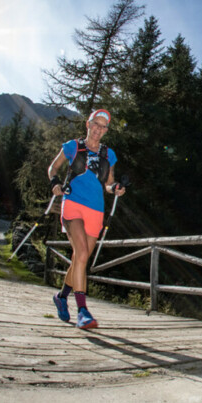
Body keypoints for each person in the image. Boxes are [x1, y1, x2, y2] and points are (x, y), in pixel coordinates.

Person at [48, 109, 126, 329]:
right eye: (95, 124)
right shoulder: (72, 146)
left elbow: (108, 183)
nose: (98, 129)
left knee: (79, 260)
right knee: (81, 254)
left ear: (106, 130)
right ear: (88, 124)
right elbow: (53, 167)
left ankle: (61, 297)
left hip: (96, 211)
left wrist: (116, 188)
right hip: (72, 204)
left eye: (103, 126)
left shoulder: (109, 154)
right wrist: (55, 182)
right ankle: (82, 311)